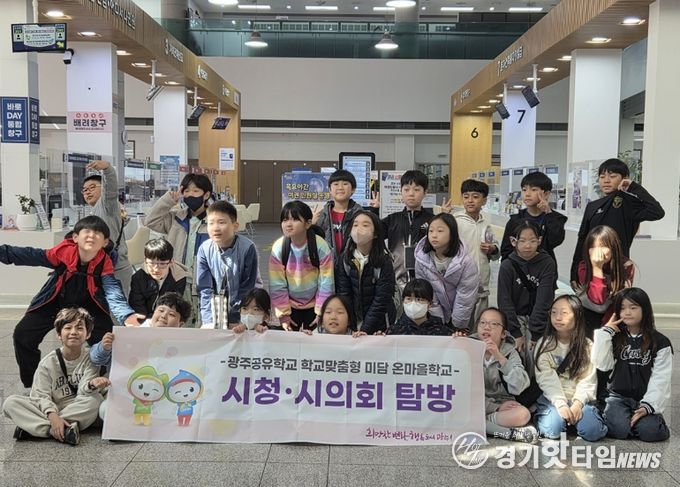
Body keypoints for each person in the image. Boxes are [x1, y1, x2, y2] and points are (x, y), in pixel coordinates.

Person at [0, 216, 140, 388]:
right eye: (87, 231)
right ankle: (34, 385)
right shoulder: (62, 253)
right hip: (55, 301)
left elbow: (112, 290)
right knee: (23, 335)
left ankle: (97, 383)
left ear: (105, 242)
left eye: (97, 233)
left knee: (107, 341)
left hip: (90, 305)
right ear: (75, 237)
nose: (91, 236)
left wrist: (126, 315)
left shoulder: (105, 261)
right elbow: (29, 255)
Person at [2, 308, 108, 445]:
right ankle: (62, 429)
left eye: (79, 328)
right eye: (68, 328)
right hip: (54, 407)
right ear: (59, 334)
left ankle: (38, 428)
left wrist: (91, 385)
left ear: (88, 334)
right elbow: (40, 395)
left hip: (79, 405)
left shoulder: (91, 358)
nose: (73, 332)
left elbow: (85, 391)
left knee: (95, 400)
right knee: (10, 403)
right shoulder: (48, 362)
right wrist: (52, 416)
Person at [592, 288, 672, 442]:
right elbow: (601, 364)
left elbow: (661, 378)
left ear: (645, 310)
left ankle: (647, 421)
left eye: (633, 307)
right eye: (622, 308)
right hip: (616, 397)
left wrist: (647, 406)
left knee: (650, 432)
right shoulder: (613, 337)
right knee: (619, 430)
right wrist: (605, 333)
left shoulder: (660, 342)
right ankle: (624, 422)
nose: (627, 312)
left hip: (644, 397)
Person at [570, 158, 664, 286]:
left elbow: (657, 212)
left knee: (618, 298)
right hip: (591, 266)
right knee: (593, 297)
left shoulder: (629, 203)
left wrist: (633, 187)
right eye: (602, 177)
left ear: (625, 178)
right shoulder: (592, 206)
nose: (606, 180)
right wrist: (574, 273)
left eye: (612, 176)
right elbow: (582, 239)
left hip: (619, 268)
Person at [534, 295, 608, 441]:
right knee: (553, 430)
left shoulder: (587, 346)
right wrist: (561, 404)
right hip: (552, 399)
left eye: (564, 313)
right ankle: (561, 420)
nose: (558, 317)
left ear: (577, 315)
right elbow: (546, 379)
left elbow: (588, 379)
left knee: (593, 432)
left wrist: (578, 403)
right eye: (554, 312)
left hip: (579, 399)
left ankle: (575, 420)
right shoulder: (544, 345)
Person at [144, 174, 213, 324]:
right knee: (174, 321)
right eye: (186, 191)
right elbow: (149, 220)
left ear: (206, 195)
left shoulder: (213, 222)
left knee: (200, 322)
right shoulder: (175, 218)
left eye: (195, 191)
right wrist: (168, 200)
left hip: (202, 282)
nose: (190, 195)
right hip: (175, 279)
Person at [470, 307, 538, 443]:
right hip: (474, 404)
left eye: (494, 324)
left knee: (523, 414)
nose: (486, 327)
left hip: (503, 404)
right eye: (482, 323)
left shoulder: (510, 352)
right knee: (457, 410)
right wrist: (494, 407)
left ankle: (479, 423)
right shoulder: (468, 347)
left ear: (503, 333)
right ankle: (506, 433)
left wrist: (499, 357)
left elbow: (520, 385)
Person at [269, 201, 334, 331]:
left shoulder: (320, 246)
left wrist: (321, 311)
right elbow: (276, 283)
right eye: (285, 220)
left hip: (315, 304)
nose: (288, 224)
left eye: (295, 219)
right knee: (290, 341)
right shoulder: (279, 248)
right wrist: (283, 314)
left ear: (308, 223)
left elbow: (326, 281)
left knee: (314, 340)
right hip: (290, 305)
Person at [497, 220, 556, 364]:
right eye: (522, 241)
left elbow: (544, 299)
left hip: (538, 319)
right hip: (515, 318)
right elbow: (504, 301)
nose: (527, 245)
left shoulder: (547, 263)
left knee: (534, 356)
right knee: (515, 354)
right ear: (513, 241)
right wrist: (516, 333)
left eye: (532, 241)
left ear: (539, 240)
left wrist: (535, 333)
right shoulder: (507, 266)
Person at [195, 201, 260, 329]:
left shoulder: (248, 248)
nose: (215, 228)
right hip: (215, 311)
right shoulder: (204, 249)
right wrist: (208, 320)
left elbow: (247, 287)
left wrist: (236, 317)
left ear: (235, 226)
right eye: (211, 223)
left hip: (242, 314)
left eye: (221, 222)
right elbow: (204, 288)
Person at [414, 213, 479, 334]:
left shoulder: (466, 262)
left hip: (461, 317)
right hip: (434, 315)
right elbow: (427, 291)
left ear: (452, 233)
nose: (434, 235)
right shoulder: (422, 260)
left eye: (440, 231)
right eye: (431, 231)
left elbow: (465, 297)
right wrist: (438, 321)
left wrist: (458, 325)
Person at [335, 210, 396, 334]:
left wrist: (365, 329)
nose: (358, 229)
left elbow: (381, 300)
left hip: (379, 325)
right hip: (354, 324)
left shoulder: (384, 261)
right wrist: (352, 326)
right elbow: (344, 294)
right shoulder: (345, 259)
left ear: (375, 233)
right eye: (355, 225)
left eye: (365, 225)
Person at [500, 171, 567, 279]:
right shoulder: (515, 220)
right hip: (519, 274)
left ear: (546, 194)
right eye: (524, 189)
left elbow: (555, 241)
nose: (527, 194)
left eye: (533, 189)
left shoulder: (554, 218)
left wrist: (548, 213)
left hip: (545, 272)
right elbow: (506, 250)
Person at [82, 160, 133, 295]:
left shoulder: (107, 205)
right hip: (100, 270)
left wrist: (107, 169)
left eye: (92, 187)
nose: (87, 192)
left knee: (117, 307)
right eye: (85, 190)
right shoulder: (93, 211)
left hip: (116, 270)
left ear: (103, 188)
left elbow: (110, 189)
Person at [455, 179, 500, 329]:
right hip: (461, 283)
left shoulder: (485, 223)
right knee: (462, 324)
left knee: (480, 323)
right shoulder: (455, 221)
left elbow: (495, 248)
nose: (470, 200)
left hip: (482, 283)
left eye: (475, 197)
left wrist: (492, 248)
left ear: (484, 200)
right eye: (466, 196)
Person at [379, 170, 435, 290]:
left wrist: (445, 217)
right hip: (396, 283)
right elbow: (373, 233)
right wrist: (373, 210)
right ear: (401, 191)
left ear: (425, 192)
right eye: (406, 189)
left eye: (416, 189)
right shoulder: (392, 219)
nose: (411, 194)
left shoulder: (432, 221)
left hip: (425, 284)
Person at [576, 225, 635, 333]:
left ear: (613, 248)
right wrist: (597, 268)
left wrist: (607, 325)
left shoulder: (625, 265)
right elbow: (597, 299)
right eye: (593, 247)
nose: (598, 252)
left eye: (603, 246)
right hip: (588, 315)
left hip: (613, 317)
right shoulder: (584, 267)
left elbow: (621, 298)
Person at [128, 239, 188, 318]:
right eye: (151, 263)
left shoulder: (178, 277)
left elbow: (173, 306)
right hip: (144, 319)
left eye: (162, 264)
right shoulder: (138, 277)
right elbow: (137, 305)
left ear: (171, 262)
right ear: (145, 260)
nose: (156, 269)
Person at [313, 169, 363, 257]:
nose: (340, 187)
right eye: (336, 184)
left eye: (345, 184)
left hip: (352, 262)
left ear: (353, 189)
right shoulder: (322, 215)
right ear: (330, 190)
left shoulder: (360, 214)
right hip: (326, 262)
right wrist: (311, 225)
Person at [384, 279, 449, 336]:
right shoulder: (393, 332)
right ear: (403, 301)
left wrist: (455, 339)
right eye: (409, 299)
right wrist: (380, 339)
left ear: (430, 304)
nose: (413, 303)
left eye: (419, 299)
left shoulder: (442, 332)